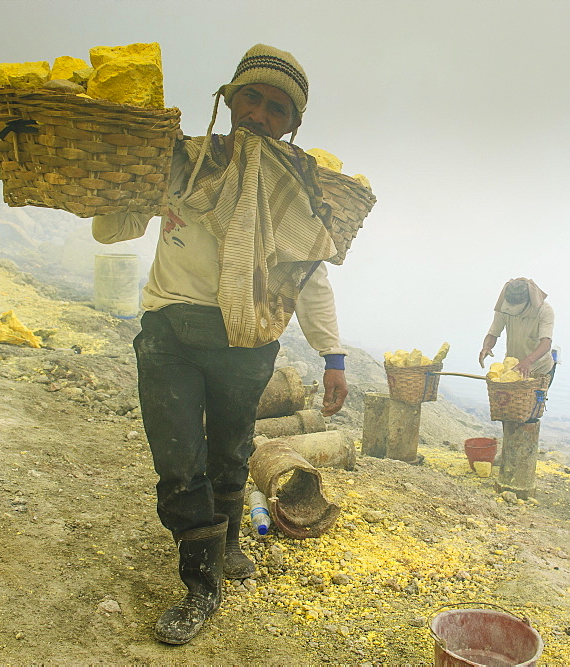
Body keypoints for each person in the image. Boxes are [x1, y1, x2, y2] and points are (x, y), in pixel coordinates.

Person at [92, 44, 357, 645]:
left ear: (293, 125)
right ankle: (201, 584)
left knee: (232, 450)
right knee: (179, 461)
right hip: (170, 334)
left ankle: (230, 545)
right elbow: (114, 229)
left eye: (277, 109)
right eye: (251, 98)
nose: (259, 114)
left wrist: (333, 355)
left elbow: (310, 275)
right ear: (229, 99)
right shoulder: (181, 162)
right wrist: (117, 184)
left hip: (248, 340)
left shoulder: (296, 193)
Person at [478, 277, 555, 386]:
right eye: (510, 305)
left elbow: (546, 343)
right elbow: (493, 333)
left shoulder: (544, 311)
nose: (511, 308)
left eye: (515, 306)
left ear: (528, 302)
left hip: (540, 369)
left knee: (532, 402)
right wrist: (487, 347)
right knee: (507, 401)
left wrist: (528, 361)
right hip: (513, 368)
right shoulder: (505, 308)